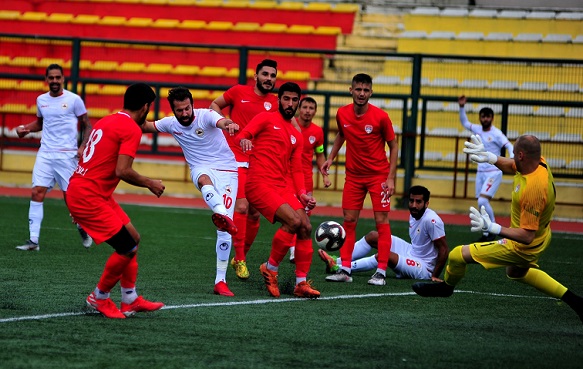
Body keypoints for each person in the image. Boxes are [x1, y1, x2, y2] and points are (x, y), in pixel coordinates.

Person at [412, 134, 583, 324]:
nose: (511, 157)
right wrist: (490, 157)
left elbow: (526, 236)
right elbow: (512, 165)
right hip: (543, 236)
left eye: (514, 153)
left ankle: (446, 288)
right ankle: (577, 302)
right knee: (516, 273)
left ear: (521, 155)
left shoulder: (534, 189)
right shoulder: (539, 164)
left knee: (457, 255)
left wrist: (493, 227)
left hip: (521, 245)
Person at [67, 83, 166, 319]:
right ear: (145, 107)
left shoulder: (107, 120)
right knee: (127, 247)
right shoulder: (131, 129)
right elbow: (123, 171)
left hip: (88, 190)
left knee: (133, 238)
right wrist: (150, 182)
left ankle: (130, 299)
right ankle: (99, 297)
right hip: (89, 196)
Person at [141, 87, 239, 297]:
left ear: (192, 105)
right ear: (173, 110)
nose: (184, 114)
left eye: (187, 108)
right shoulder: (170, 123)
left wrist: (229, 124)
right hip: (200, 168)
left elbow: (221, 122)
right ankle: (221, 212)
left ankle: (220, 281)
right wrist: (127, 117)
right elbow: (145, 126)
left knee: (224, 233)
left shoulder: (206, 116)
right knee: (204, 181)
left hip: (228, 170)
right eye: (180, 110)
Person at [236, 82, 320, 299]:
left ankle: (300, 284)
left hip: (281, 185)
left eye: (294, 100)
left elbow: (297, 168)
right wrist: (244, 141)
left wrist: (302, 193)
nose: (290, 103)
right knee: (292, 222)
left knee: (306, 227)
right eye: (286, 99)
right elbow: (243, 135)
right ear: (279, 100)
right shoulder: (266, 118)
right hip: (258, 183)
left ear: (298, 102)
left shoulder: (296, 134)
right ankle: (270, 269)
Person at [321, 73, 399, 286]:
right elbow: (341, 134)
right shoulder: (342, 113)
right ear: (351, 90)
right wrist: (330, 158)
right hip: (353, 177)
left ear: (371, 92)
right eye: (358, 89)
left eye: (366, 90)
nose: (362, 93)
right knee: (349, 221)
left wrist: (391, 178)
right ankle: (345, 269)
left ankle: (381, 272)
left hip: (378, 177)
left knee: (381, 222)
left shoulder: (381, 117)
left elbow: (393, 146)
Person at [210, 59, 279, 280]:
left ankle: (241, 256)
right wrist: (226, 122)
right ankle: (239, 259)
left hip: (260, 161)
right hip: (236, 157)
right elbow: (214, 105)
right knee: (241, 206)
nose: (269, 79)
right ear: (256, 76)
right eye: (265, 74)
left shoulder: (276, 103)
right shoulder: (238, 92)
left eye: (272, 75)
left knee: (255, 212)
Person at [15, 64, 93, 251]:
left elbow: (87, 125)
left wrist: (83, 146)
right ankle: (33, 241)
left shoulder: (74, 100)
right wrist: (25, 128)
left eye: (58, 77)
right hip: (46, 154)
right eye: (51, 78)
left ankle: (82, 226)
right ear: (46, 80)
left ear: (63, 79)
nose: (55, 81)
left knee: (71, 199)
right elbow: (41, 123)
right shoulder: (41, 100)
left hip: (67, 156)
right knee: (36, 192)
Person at [318, 185, 448, 281]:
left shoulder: (431, 220)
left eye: (418, 202)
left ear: (427, 203)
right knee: (373, 236)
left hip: (424, 267)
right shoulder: (414, 214)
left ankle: (339, 267)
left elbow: (443, 250)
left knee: (385, 255)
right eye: (411, 201)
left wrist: (434, 275)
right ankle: (337, 260)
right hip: (411, 251)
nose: (414, 205)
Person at [458, 95, 514, 242]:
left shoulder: (496, 133)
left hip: (494, 172)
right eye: (483, 117)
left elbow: (508, 145)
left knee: (483, 201)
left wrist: (512, 156)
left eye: (488, 117)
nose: (485, 119)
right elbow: (464, 122)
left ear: (492, 118)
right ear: (480, 117)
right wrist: (462, 107)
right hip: (480, 172)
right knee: (481, 202)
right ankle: (486, 232)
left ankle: (492, 229)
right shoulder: (477, 129)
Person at [288, 96, 331, 263]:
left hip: (306, 179)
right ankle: (292, 248)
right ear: (299, 109)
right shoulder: (291, 125)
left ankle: (295, 248)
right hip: (289, 176)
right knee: (293, 215)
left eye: (311, 108)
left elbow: (319, 154)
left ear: (315, 111)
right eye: (304, 107)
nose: (307, 111)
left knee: (304, 216)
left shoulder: (317, 132)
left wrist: (325, 175)